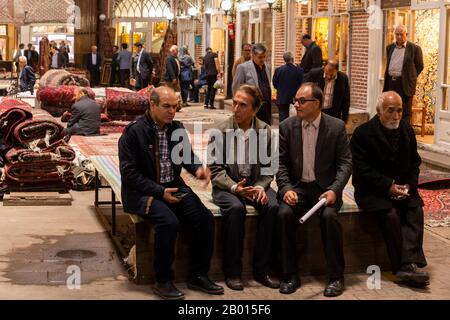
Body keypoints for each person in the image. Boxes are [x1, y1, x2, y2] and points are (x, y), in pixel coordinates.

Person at [118, 86, 224, 300]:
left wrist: (198, 170)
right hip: (142, 192)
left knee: (204, 219)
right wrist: (159, 191)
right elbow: (129, 174)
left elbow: (187, 157)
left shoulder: (177, 129)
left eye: (175, 107)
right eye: (166, 106)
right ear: (152, 105)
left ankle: (198, 274)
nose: (171, 111)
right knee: (168, 222)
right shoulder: (134, 132)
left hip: (173, 186)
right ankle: (163, 280)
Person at [276, 82, 352, 297]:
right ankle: (290, 274)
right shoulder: (288, 127)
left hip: (325, 189)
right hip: (298, 188)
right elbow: (280, 164)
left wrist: (335, 190)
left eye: (301, 101)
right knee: (283, 214)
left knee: (329, 218)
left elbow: (346, 163)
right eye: (295, 101)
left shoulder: (336, 127)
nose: (296, 105)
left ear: (316, 103)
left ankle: (336, 277)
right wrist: (285, 188)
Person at [351, 91, 429, 288]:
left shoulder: (406, 129)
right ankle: (403, 266)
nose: (396, 116)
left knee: (415, 209)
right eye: (390, 111)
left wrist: (409, 185)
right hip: (372, 190)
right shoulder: (362, 134)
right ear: (379, 111)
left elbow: (414, 162)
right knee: (391, 214)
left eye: (400, 111)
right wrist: (388, 186)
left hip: (402, 187)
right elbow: (362, 170)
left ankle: (410, 262)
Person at [209, 84, 279, 291]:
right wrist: (234, 188)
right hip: (227, 187)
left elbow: (269, 168)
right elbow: (215, 169)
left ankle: (262, 270)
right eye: (235, 103)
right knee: (236, 209)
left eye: (243, 105)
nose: (236, 109)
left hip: (256, 185)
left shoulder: (265, 131)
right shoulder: (220, 131)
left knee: (273, 207)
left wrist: (260, 187)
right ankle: (233, 272)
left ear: (255, 110)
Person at [383, 25, 424, 123]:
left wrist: (409, 77)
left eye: (401, 34)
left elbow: (420, 66)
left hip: (404, 85)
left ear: (406, 34)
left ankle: (404, 136)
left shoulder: (414, 48)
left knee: (405, 112)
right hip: (391, 83)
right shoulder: (390, 48)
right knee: (390, 109)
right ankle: (391, 132)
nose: (399, 37)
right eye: (397, 34)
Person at [232, 43, 272, 125]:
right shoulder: (243, 67)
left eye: (264, 57)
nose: (263, 59)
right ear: (253, 55)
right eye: (260, 57)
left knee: (264, 132)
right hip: (251, 107)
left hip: (265, 107)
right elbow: (236, 88)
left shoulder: (267, 67)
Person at [304, 58, 350, 123]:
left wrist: (344, 120)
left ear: (337, 70)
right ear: (324, 67)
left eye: (331, 75)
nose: (328, 77)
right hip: (315, 111)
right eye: (326, 73)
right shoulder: (314, 74)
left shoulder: (343, 79)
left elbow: (346, 100)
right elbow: (303, 90)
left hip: (333, 113)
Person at [272, 52, 304, 123]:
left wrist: (280, 89)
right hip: (296, 96)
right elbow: (302, 83)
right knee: (298, 117)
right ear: (292, 59)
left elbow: (274, 83)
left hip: (282, 96)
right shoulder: (299, 70)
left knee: (283, 119)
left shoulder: (278, 70)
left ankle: (283, 133)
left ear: (284, 59)